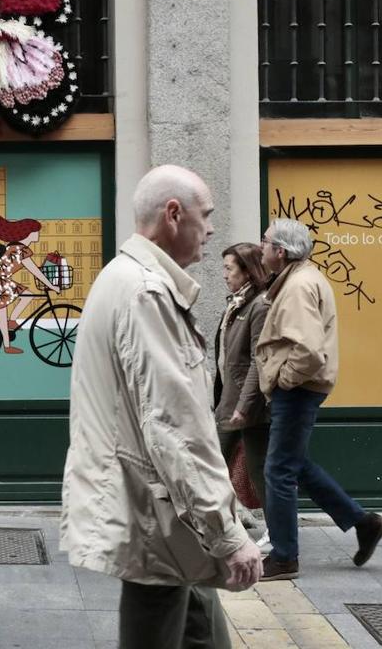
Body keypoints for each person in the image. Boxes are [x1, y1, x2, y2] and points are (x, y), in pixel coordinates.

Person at [61, 164, 262, 649]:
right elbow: (174, 426)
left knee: (201, 629)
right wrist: (226, 531)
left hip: (166, 513)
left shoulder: (126, 279)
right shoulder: (146, 292)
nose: (212, 229)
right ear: (174, 214)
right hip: (158, 514)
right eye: (206, 215)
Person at [255, 218, 382, 581]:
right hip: (302, 389)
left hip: (297, 390)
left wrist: (283, 379)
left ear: (280, 252)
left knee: (278, 470)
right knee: (294, 464)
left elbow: (310, 351)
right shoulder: (299, 279)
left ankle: (283, 556)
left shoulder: (297, 286)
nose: (261, 247)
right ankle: (363, 522)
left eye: (265, 241)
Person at [214, 243, 272, 548]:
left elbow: (257, 361)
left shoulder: (259, 306)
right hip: (231, 399)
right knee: (218, 463)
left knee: (255, 468)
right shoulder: (238, 302)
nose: (224, 274)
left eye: (229, 268)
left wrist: (245, 405)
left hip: (245, 405)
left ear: (247, 271)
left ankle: (276, 532)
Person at [0, 210, 59, 354]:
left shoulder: (16, 247)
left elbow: (34, 270)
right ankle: (7, 346)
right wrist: (51, 286)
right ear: (29, 233)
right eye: (36, 231)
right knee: (1, 312)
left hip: (1, 280)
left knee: (28, 296)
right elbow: (35, 271)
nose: (38, 234)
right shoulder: (19, 250)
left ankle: (12, 321)